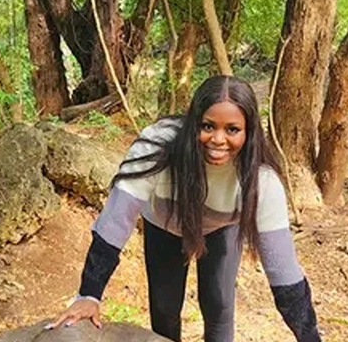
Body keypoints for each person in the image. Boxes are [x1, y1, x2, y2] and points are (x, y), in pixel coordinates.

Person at [48, 75, 321, 342]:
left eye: (232, 129)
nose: (218, 139)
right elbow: (116, 221)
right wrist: (88, 295)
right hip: (165, 223)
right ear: (193, 122)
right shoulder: (157, 146)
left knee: (218, 305)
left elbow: (283, 271)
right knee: (165, 309)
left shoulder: (261, 181)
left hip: (221, 227)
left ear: (249, 132)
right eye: (208, 126)